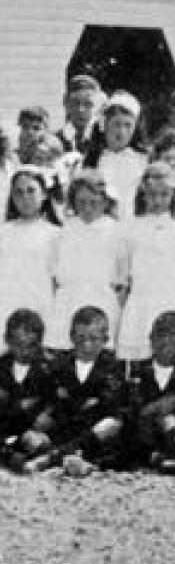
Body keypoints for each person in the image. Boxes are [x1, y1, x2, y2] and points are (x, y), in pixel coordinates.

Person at [117, 163, 175, 361]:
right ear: (143, 194)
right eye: (151, 195)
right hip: (141, 300)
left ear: (174, 194)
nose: (157, 200)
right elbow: (123, 272)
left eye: (164, 194)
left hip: (174, 299)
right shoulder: (131, 227)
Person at [47, 169, 126, 350]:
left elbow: (122, 277)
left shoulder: (117, 232)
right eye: (81, 202)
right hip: (68, 301)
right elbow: (54, 273)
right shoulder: (64, 231)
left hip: (103, 300)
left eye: (94, 202)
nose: (87, 208)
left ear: (105, 202)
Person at [50, 306, 129, 474]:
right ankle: (71, 457)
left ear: (105, 339)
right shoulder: (60, 365)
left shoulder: (111, 366)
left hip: (95, 431)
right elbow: (54, 399)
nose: (87, 346)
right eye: (81, 339)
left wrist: (79, 400)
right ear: (71, 337)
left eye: (94, 339)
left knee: (113, 426)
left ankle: (70, 456)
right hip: (68, 425)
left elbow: (110, 402)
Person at [130, 311, 175, 471]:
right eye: (161, 335)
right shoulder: (137, 370)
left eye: (174, 337)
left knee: (171, 420)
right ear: (151, 339)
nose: (166, 342)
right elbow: (134, 407)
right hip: (143, 435)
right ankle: (156, 458)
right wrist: (158, 406)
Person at [0, 167, 61, 338]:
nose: (25, 198)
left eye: (31, 191)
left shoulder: (57, 234)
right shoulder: (3, 232)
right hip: (6, 305)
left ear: (44, 194)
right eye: (19, 192)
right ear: (12, 198)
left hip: (42, 306)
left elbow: (58, 282)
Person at [0, 309, 57, 473]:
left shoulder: (49, 367)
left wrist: (48, 415)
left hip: (35, 429)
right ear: (7, 341)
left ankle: (30, 456)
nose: (24, 352)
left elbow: (56, 401)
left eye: (31, 346)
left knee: (42, 440)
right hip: (7, 428)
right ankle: (14, 454)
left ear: (40, 343)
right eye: (18, 345)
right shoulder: (2, 366)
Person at [84, 91, 147, 220]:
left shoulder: (143, 160)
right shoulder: (92, 160)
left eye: (128, 125)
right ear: (105, 125)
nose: (122, 132)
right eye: (117, 124)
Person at [55, 74, 103, 154]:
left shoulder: (104, 140)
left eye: (88, 104)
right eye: (76, 103)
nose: (81, 110)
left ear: (98, 106)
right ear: (65, 103)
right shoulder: (55, 141)